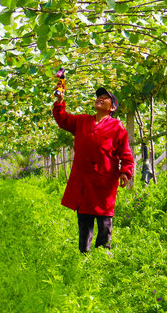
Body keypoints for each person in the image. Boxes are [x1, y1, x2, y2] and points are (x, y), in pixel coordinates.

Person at [53, 86, 134, 253]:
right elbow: (63, 120)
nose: (100, 99)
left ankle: (103, 253)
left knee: (104, 220)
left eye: (105, 98)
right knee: (84, 219)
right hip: (83, 180)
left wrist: (125, 171)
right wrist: (59, 102)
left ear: (112, 107)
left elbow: (125, 153)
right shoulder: (82, 121)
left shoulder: (117, 127)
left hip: (104, 180)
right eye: (99, 97)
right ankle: (84, 253)